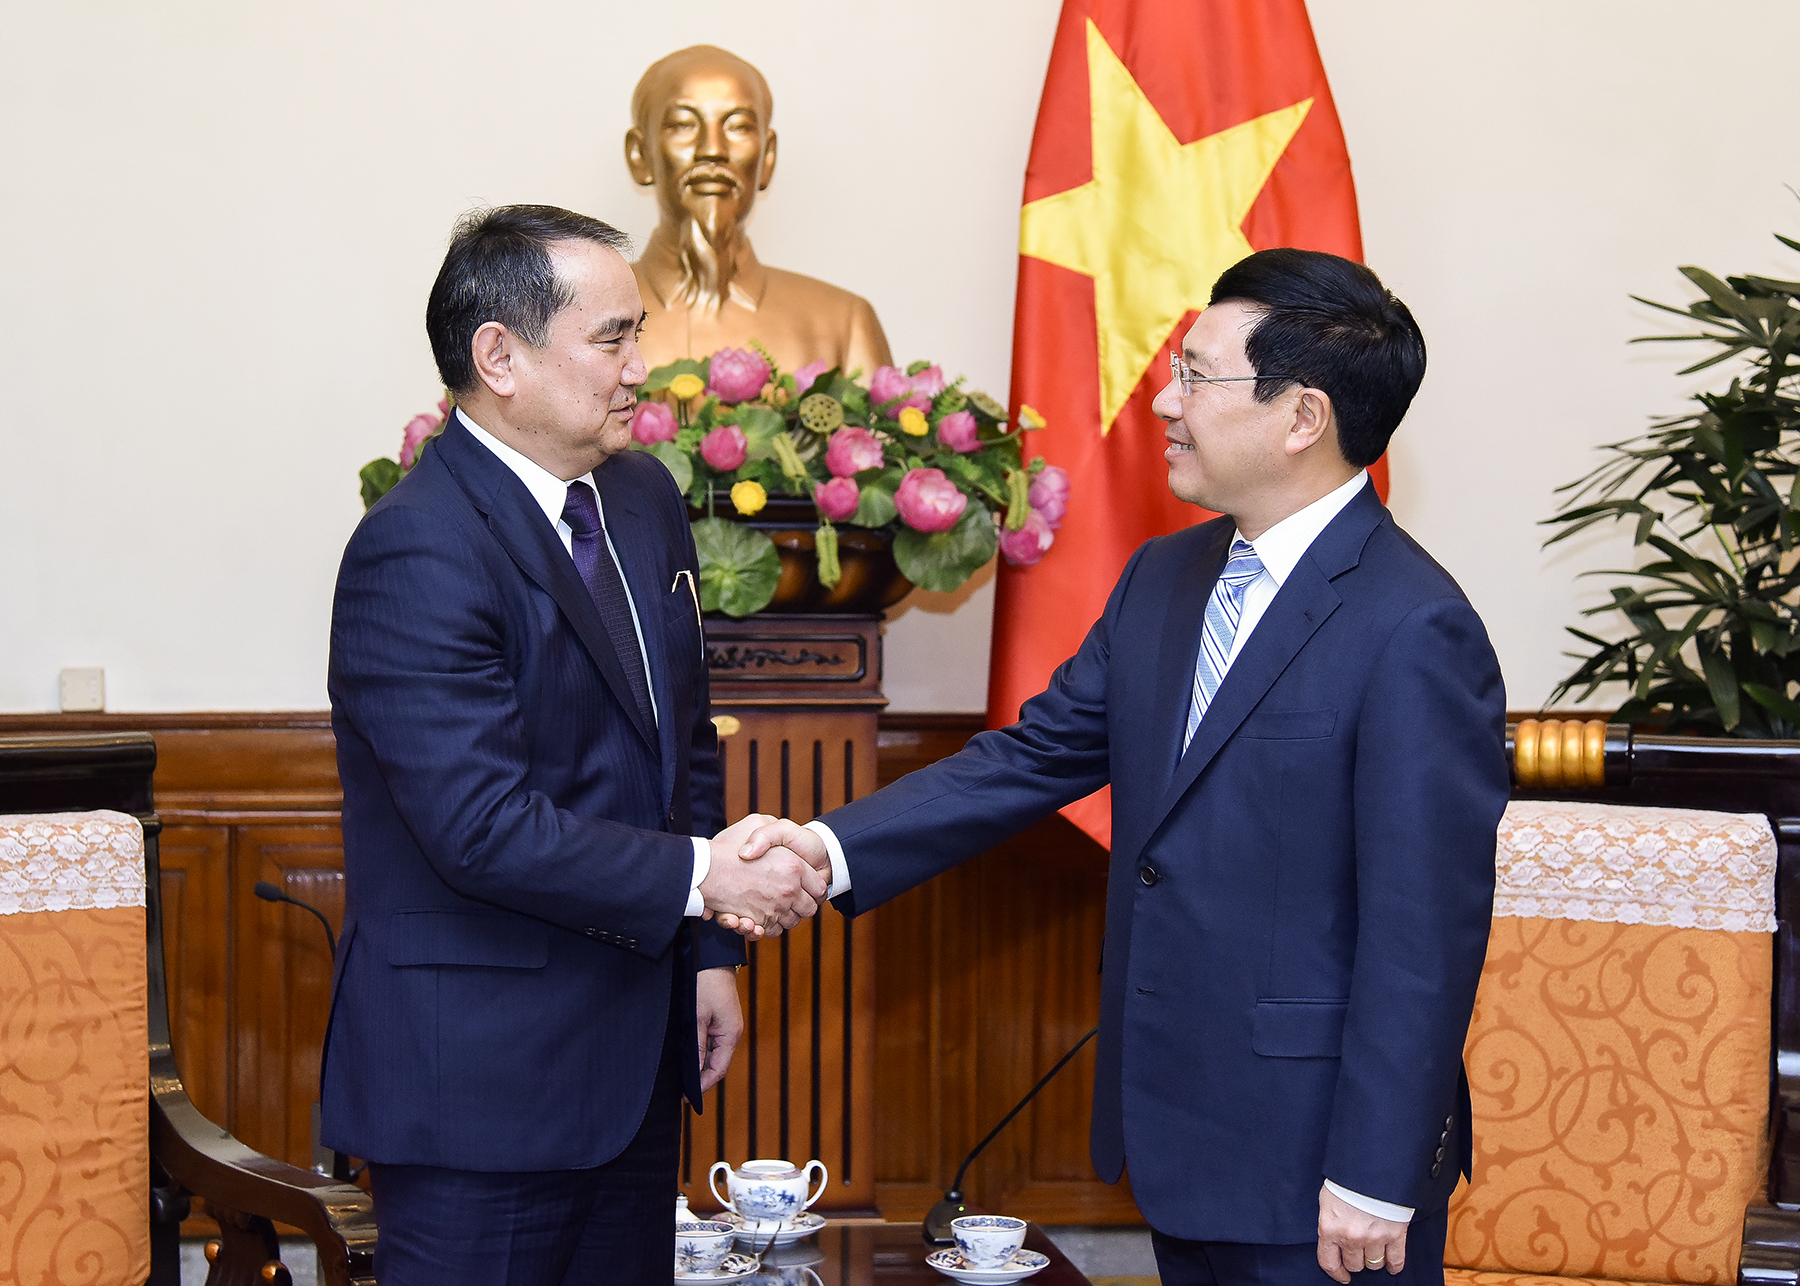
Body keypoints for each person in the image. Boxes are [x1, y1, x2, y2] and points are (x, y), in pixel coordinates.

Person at [741, 249, 1508, 1286]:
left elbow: (1425, 931)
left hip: (1324, 1165)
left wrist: (1377, 1173)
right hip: (1181, 1133)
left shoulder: (1415, 625)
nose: (1164, 401)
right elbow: (1032, 756)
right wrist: (825, 848)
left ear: (1303, 416)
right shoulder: (1165, 576)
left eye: (1196, 374)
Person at [323, 204, 826, 1286]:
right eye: (612, 338)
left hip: (636, 1058)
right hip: (478, 1085)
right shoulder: (416, 548)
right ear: (498, 357)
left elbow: (683, 747)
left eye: (637, 332)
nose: (642, 366)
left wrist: (710, 950)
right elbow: (480, 827)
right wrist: (705, 877)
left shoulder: (640, 499)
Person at [625, 44, 893, 376]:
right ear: (639, 155)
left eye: (738, 126)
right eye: (683, 124)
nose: (713, 150)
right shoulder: (583, 320)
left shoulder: (844, 324)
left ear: (767, 157)